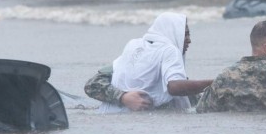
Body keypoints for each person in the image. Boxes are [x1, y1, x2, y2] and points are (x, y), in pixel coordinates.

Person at [84, 12, 212, 112]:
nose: (189, 40)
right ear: (172, 33)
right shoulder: (144, 51)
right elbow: (92, 84)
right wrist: (123, 97)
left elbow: (186, 96)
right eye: (185, 35)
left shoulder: (141, 48)